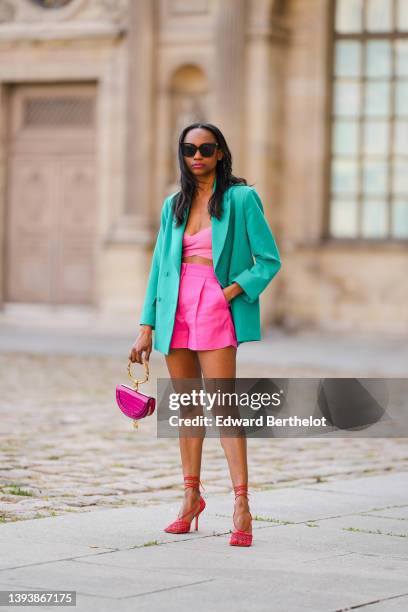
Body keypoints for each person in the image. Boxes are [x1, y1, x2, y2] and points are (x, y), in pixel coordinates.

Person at [129, 122, 282, 547]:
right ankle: (191, 496)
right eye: (189, 149)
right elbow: (160, 267)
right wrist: (146, 326)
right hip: (173, 309)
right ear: (182, 154)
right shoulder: (173, 205)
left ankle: (241, 504)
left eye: (206, 148)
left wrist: (230, 292)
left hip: (216, 308)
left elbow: (268, 260)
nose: (197, 156)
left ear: (219, 153)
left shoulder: (241, 199)